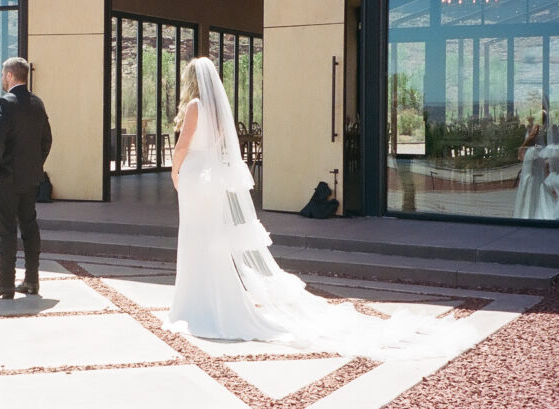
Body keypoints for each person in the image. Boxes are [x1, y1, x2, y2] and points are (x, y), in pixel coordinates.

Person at [164, 57, 474, 361]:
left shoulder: (195, 106)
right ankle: (216, 303)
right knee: (212, 240)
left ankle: (196, 306)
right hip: (212, 180)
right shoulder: (219, 111)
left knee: (196, 238)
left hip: (195, 178)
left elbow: (183, 146)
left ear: (192, 81)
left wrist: (175, 172)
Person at [0, 57, 52, 300]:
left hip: (7, 180)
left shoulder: (4, 104)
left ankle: (5, 285)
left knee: (6, 230)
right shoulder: (37, 103)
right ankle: (31, 281)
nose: (1, 78)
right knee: (29, 227)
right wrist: (35, 165)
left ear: (10, 75)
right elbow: (46, 140)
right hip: (30, 180)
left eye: (2, 74)